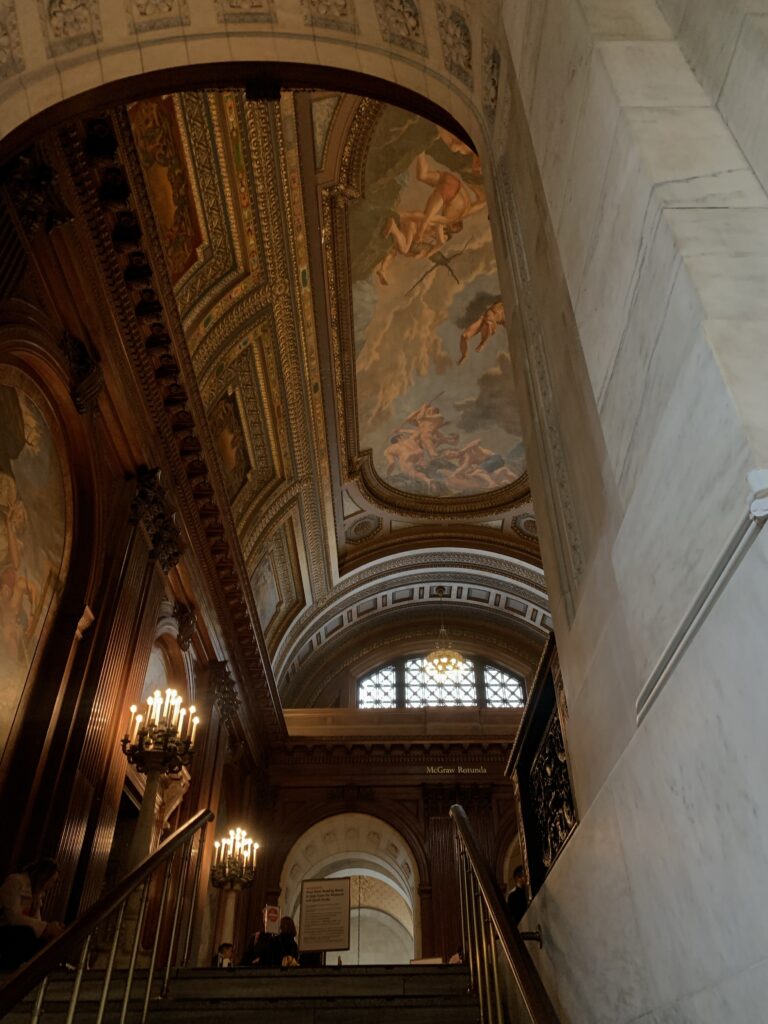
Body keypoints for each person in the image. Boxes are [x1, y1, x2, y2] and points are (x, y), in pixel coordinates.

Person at [0, 858, 64, 970]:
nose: (51, 885)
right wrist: (46, 927)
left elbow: (36, 921)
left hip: (18, 932)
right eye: (52, 881)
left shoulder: (37, 895)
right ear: (43, 876)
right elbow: (13, 917)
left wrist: (49, 930)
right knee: (27, 933)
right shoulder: (15, 882)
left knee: (46, 941)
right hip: (4, 929)